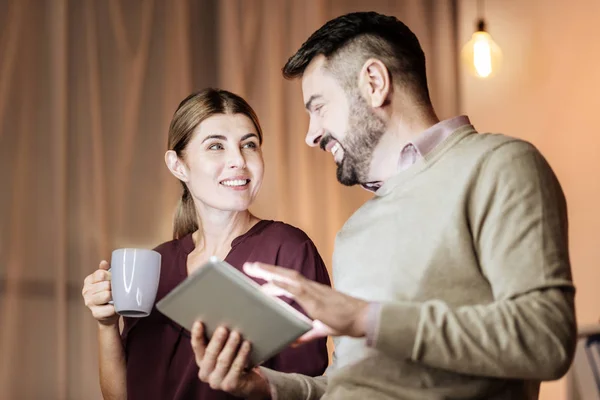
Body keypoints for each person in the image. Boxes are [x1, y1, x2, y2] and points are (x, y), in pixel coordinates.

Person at [189, 11, 577, 400]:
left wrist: (366, 317)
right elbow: (346, 385)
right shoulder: (355, 230)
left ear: (374, 83)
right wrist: (265, 386)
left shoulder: (498, 165)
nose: (311, 135)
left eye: (319, 106)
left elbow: (545, 339)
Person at [81, 88, 331, 400]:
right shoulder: (157, 265)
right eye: (216, 146)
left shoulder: (288, 249)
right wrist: (106, 324)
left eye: (249, 145)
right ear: (177, 165)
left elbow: (307, 389)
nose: (238, 160)